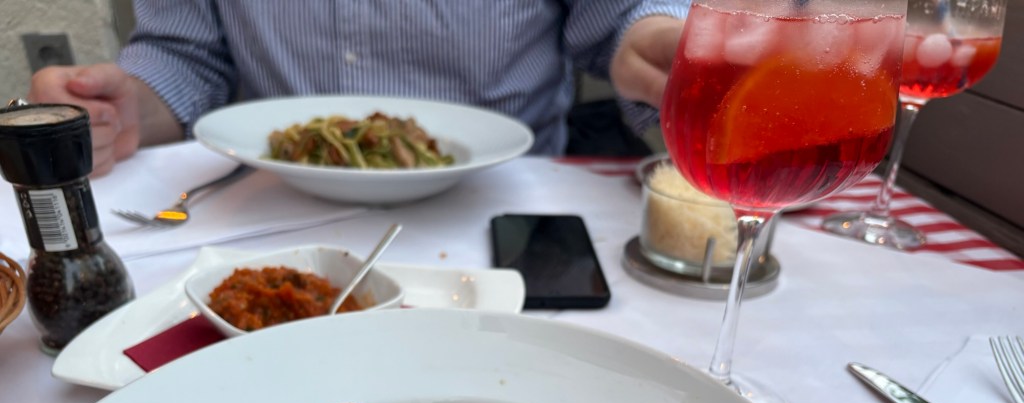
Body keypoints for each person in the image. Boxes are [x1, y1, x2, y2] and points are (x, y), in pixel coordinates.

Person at [28, 2, 689, 176]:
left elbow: (622, 20)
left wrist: (653, 39)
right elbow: (183, 54)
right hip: (267, 205)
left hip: (507, 210)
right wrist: (124, 108)